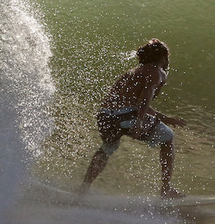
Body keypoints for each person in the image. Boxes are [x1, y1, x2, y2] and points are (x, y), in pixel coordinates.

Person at [80, 39, 188, 197]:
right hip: (126, 117)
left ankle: (83, 188)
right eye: (167, 57)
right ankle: (166, 189)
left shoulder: (133, 72)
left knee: (107, 148)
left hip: (106, 117)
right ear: (162, 57)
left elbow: (133, 103)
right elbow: (146, 97)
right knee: (168, 138)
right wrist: (138, 121)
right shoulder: (157, 71)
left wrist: (165, 118)